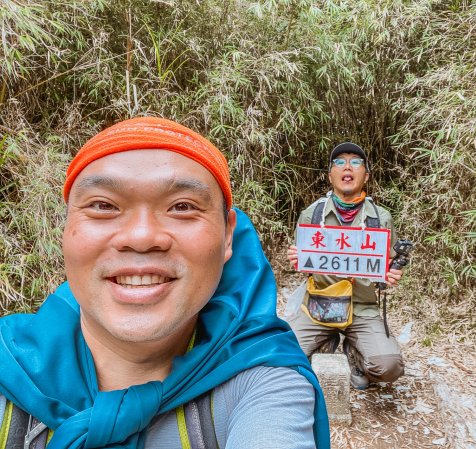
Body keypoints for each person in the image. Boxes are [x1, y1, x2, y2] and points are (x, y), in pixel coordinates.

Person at [0, 117, 329, 449]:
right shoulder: (8, 367)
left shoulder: (263, 383)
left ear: (228, 235)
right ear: (66, 229)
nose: (142, 237)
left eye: (182, 207)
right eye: (103, 206)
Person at [287, 142, 404, 390]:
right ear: (331, 175)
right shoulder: (312, 214)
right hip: (320, 306)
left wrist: (391, 272)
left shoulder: (380, 218)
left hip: (362, 308)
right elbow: (307, 260)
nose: (347, 167)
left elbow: (386, 263)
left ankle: (355, 353)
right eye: (339, 162)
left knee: (389, 366)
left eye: (356, 162)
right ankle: (324, 342)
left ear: (366, 175)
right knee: (281, 357)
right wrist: (298, 258)